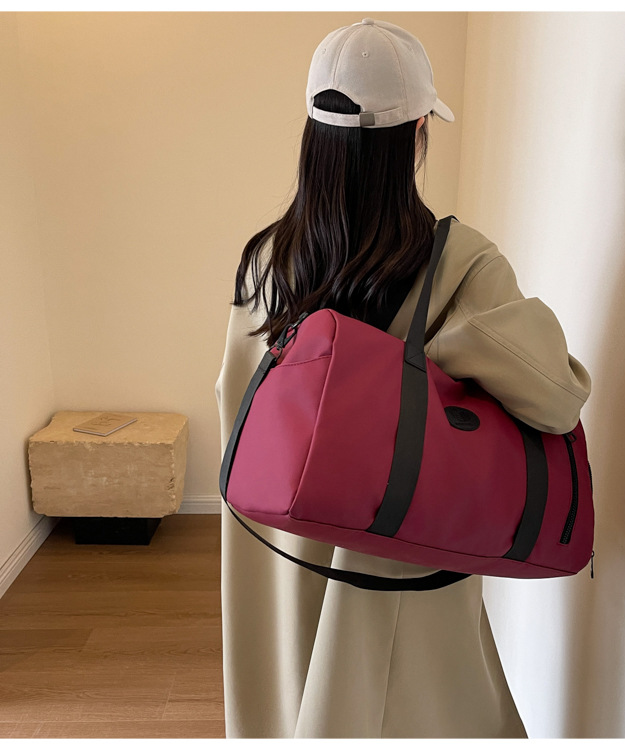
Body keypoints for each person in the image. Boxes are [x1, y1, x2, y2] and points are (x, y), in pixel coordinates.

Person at [215, 18, 591, 738]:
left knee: (287, 702)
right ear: (418, 129)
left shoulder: (264, 262)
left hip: (276, 554)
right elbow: (556, 398)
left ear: (314, 131)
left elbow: (236, 406)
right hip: (394, 564)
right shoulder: (460, 263)